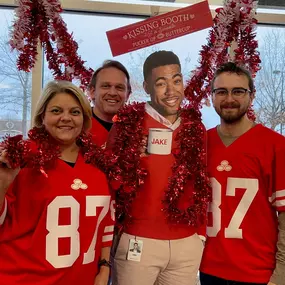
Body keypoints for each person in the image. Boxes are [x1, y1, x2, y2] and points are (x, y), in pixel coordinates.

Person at [108, 50, 210, 285]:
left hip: (186, 244)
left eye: (176, 80)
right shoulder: (127, 125)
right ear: (146, 87)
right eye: (161, 83)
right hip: (138, 241)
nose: (171, 90)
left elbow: (201, 184)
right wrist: (131, 159)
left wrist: (200, 235)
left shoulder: (196, 126)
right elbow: (109, 184)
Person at [0, 81, 115, 285]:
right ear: (42, 116)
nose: (66, 118)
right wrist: (3, 182)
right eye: (56, 110)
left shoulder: (97, 163)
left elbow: (105, 222)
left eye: (74, 112)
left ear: (84, 118)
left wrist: (104, 266)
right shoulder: (21, 158)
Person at [200, 62, 285, 285]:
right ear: (211, 96)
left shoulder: (276, 145)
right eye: (221, 91)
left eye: (238, 91)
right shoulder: (200, 143)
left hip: (257, 272)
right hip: (208, 268)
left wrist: (280, 275)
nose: (229, 98)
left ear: (251, 95)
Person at [88, 60, 132, 146]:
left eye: (119, 87)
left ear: (127, 95)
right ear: (93, 92)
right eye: (106, 86)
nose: (112, 93)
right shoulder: (78, 126)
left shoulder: (136, 129)